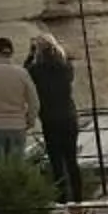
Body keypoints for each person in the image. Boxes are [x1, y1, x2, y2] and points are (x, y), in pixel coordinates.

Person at [25, 27, 82, 199]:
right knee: (71, 160)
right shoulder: (65, 67)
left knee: (56, 160)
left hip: (50, 119)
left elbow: (25, 71)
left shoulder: (37, 70)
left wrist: (30, 54)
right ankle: (78, 197)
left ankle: (62, 197)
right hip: (69, 116)